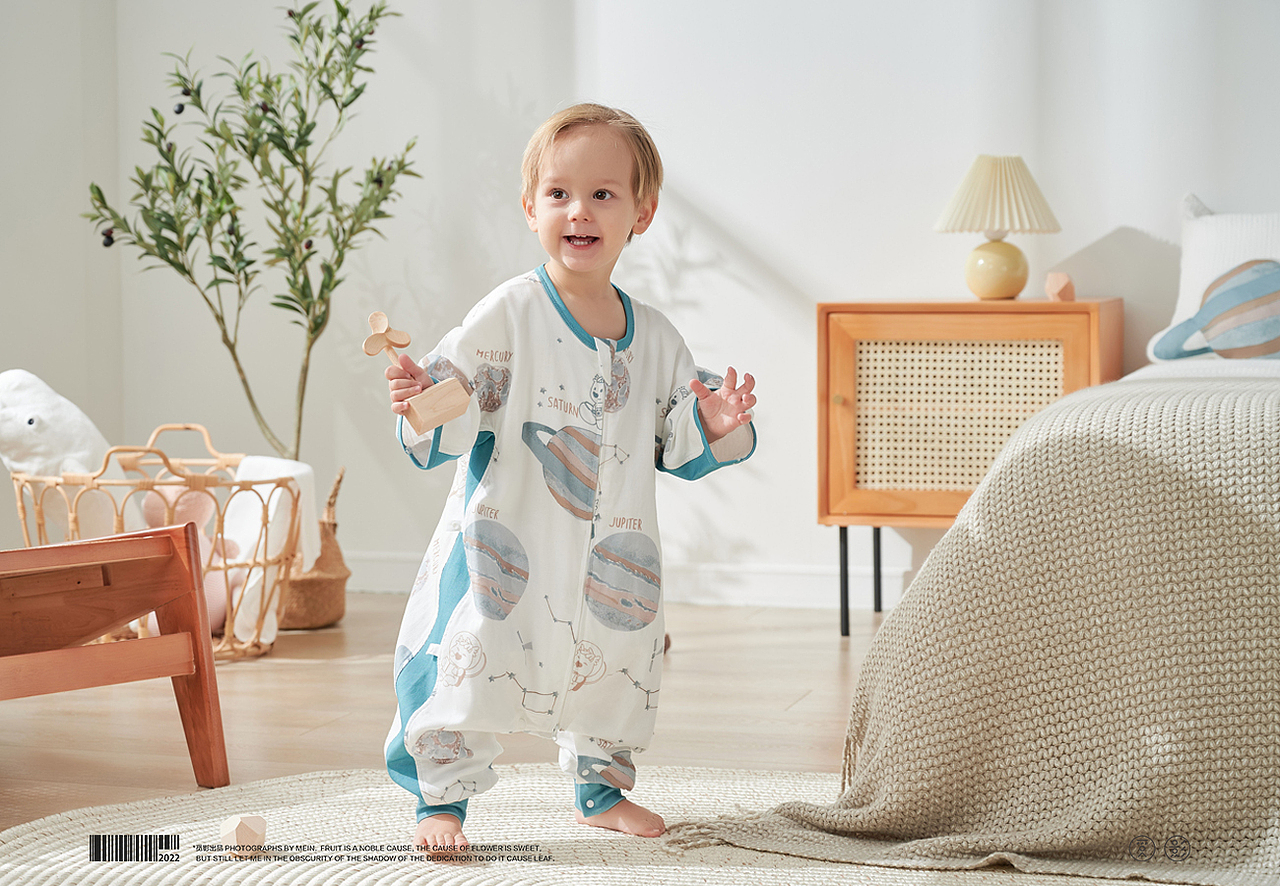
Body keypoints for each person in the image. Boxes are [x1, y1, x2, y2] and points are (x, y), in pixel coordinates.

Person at [382, 103, 757, 855]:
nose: (578, 211)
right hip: (505, 546)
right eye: (558, 194)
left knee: (616, 666)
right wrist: (421, 400)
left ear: (640, 214)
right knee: (472, 662)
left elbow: (673, 434)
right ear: (531, 208)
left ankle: (600, 787)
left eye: (603, 194)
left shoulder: (654, 336)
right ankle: (441, 798)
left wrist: (715, 424)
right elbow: (455, 397)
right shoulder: (508, 314)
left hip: (615, 556)